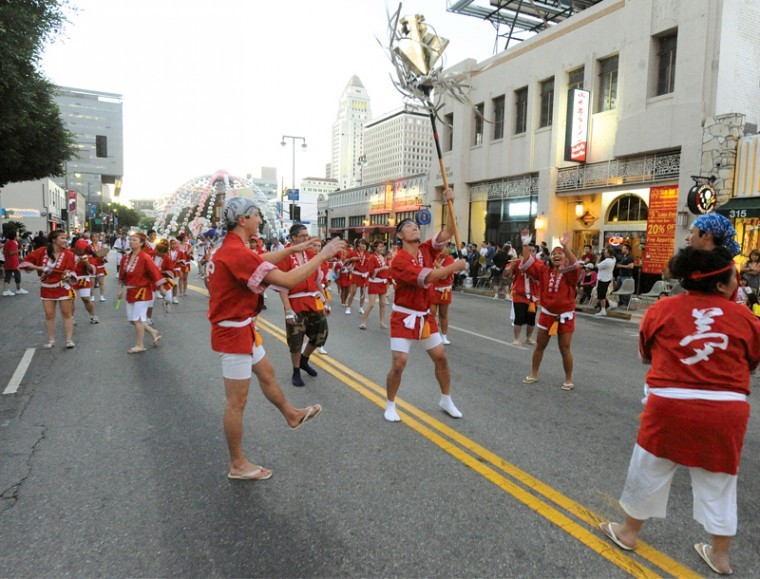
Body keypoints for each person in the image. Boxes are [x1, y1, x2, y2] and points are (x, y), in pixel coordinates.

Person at [599, 247, 760, 576]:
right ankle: (720, 555)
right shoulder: (747, 318)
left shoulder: (663, 309)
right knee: (720, 482)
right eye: (735, 276)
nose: (737, 282)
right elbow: (753, 361)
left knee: (649, 469)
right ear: (720, 286)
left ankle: (629, 532)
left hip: (669, 404)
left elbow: (645, 351)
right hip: (726, 410)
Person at [207, 197, 345, 480]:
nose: (260, 220)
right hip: (233, 332)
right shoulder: (236, 252)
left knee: (268, 374)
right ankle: (237, 464)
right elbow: (286, 281)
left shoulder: (235, 248)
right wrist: (322, 255)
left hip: (242, 327)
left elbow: (259, 261)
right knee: (236, 402)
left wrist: (297, 248)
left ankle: (291, 415)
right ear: (243, 220)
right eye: (256, 215)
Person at [384, 188, 468, 423]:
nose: (415, 228)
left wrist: (450, 203)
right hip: (403, 316)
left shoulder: (426, 248)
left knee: (441, 357)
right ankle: (390, 404)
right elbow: (428, 278)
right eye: (409, 226)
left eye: (416, 226)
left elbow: (449, 230)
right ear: (399, 235)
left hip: (424, 316)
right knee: (399, 364)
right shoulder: (399, 259)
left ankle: (446, 398)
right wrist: (454, 267)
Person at [519, 229, 580, 391]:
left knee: (565, 348)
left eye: (560, 254)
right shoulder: (544, 271)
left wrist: (565, 246)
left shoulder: (570, 274)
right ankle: (533, 374)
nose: (557, 256)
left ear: (565, 257)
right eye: (554, 254)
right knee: (540, 345)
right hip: (546, 315)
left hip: (565, 317)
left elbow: (575, 264)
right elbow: (527, 262)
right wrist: (525, 244)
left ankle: (568, 379)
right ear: (550, 259)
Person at [272, 224, 330, 387]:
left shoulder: (311, 255)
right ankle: (296, 370)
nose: (307, 238)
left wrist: (325, 301)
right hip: (295, 301)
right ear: (293, 238)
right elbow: (283, 286)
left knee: (321, 334)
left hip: (312, 300)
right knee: (296, 339)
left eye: (307, 235)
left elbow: (318, 280)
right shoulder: (285, 257)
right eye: (303, 236)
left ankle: (304, 360)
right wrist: (288, 309)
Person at [19, 230, 77, 348]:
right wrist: (39, 267)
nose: (65, 241)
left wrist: (68, 275)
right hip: (47, 288)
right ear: (54, 240)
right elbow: (24, 263)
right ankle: (51, 340)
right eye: (62, 238)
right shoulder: (41, 251)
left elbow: (72, 271)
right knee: (49, 314)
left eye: (66, 238)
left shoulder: (69, 254)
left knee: (67, 313)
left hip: (62, 286)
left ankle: (69, 340)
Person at [117, 231, 167, 353]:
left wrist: (161, 287)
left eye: (134, 240)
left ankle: (140, 345)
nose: (131, 242)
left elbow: (155, 272)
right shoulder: (125, 258)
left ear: (142, 243)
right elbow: (121, 277)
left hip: (142, 291)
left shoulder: (145, 257)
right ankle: (153, 331)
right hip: (130, 292)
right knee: (131, 320)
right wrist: (119, 289)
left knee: (137, 319)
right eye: (130, 240)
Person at [505, 243, 539, 346]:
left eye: (533, 251)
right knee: (519, 317)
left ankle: (528, 337)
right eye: (529, 251)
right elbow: (506, 275)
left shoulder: (539, 264)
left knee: (531, 319)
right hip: (519, 294)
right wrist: (512, 267)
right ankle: (516, 338)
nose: (531, 253)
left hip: (533, 296)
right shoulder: (517, 262)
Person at [360, 242, 390, 329]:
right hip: (374, 282)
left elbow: (387, 269)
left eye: (382, 247)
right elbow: (372, 273)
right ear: (375, 248)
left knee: (383, 304)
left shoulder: (384, 257)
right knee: (372, 304)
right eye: (380, 247)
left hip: (382, 282)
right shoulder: (372, 257)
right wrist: (381, 268)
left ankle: (382, 322)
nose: (382, 248)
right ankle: (363, 322)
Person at [70, 238, 99, 324]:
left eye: (80, 250)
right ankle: (70, 318)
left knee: (86, 299)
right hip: (71, 278)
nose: (78, 252)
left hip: (83, 278)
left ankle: (93, 315)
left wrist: (86, 262)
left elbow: (91, 270)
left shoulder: (89, 255)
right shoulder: (69, 252)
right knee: (71, 299)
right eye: (77, 249)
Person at [429, 251, 455, 345]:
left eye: (443, 247)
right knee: (431, 313)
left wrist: (435, 263)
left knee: (443, 314)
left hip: (445, 290)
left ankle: (444, 336)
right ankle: (432, 334)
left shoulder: (450, 260)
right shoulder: (433, 257)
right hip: (433, 287)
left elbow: (444, 274)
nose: (441, 250)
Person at [346, 238, 370, 315]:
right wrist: (351, 259)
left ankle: (361, 308)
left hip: (364, 275)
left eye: (364, 244)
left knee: (363, 292)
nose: (363, 245)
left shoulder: (367, 254)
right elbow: (345, 261)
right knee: (353, 291)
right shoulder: (353, 252)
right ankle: (348, 307)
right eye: (361, 243)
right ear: (358, 244)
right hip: (356, 273)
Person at [3, 230, 29, 296]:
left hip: (7, 261)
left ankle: (6, 291)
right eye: (17, 235)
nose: (18, 236)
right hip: (13, 261)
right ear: (14, 237)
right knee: (17, 275)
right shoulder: (13, 243)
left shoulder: (7, 243)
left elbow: (6, 252)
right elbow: (11, 252)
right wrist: (22, 249)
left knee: (8, 276)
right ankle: (18, 289)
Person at [595, 247, 617, 316]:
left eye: (606, 252)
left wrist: (598, 259)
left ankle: (603, 310)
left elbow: (597, 266)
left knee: (602, 296)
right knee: (603, 294)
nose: (604, 253)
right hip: (608, 278)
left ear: (609, 254)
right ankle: (610, 304)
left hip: (603, 279)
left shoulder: (607, 261)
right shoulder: (613, 259)